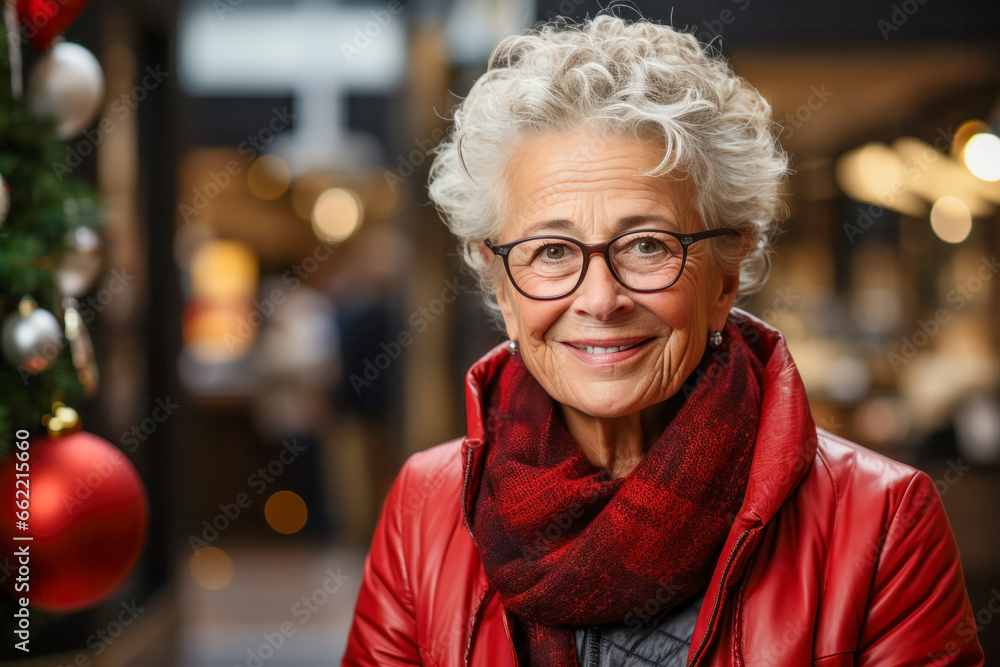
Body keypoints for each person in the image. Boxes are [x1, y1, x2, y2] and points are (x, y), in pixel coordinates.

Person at [341, 13, 984, 666]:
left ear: (726, 277)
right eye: (552, 250)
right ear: (503, 290)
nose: (599, 299)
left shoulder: (881, 523)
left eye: (647, 244)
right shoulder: (424, 507)